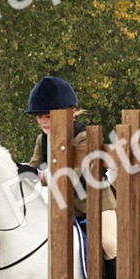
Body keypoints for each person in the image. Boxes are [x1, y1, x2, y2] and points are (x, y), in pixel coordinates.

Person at [23, 76, 117, 261]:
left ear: (72, 112)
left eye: (48, 116)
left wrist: (44, 177)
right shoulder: (42, 140)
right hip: (62, 206)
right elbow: (34, 166)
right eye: (39, 117)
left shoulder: (84, 136)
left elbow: (78, 174)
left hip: (95, 203)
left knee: (109, 244)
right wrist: (18, 170)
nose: (43, 122)